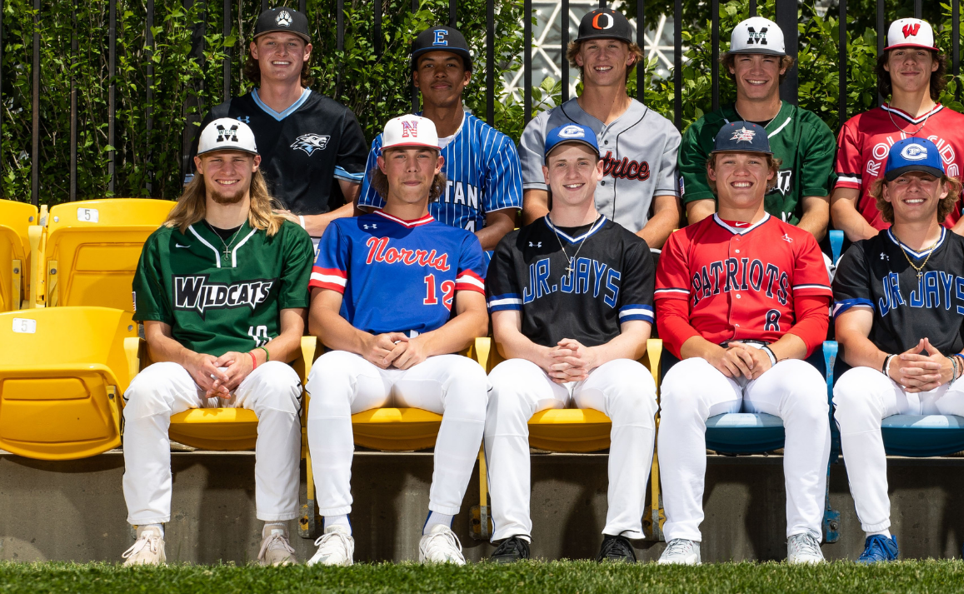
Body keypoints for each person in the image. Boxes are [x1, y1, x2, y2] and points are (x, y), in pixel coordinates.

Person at [122, 118, 314, 566]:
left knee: (282, 385)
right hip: (188, 366)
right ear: (199, 167)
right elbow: (155, 337)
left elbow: (293, 333)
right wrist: (192, 360)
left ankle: (275, 534)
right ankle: (149, 534)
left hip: (254, 364)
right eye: (216, 160)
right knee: (145, 391)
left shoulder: (285, 238)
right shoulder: (165, 242)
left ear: (254, 165)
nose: (227, 169)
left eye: (237, 160)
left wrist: (252, 360)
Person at [304, 115, 490, 566]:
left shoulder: (460, 240)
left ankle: (439, 529)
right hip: (361, 359)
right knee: (325, 374)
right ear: (381, 164)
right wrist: (364, 344)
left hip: (424, 361)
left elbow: (475, 319)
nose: (411, 166)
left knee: (469, 378)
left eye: (422, 155)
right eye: (399, 155)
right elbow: (320, 317)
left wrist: (424, 347)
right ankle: (335, 531)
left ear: (437, 164)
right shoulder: (345, 231)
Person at [654, 121, 833, 565]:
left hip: (775, 360)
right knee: (678, 389)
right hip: (709, 360)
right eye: (728, 161)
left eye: (753, 161)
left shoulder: (800, 241)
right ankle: (681, 538)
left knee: (810, 391)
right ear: (711, 172)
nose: (741, 171)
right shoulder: (682, 241)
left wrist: (772, 353)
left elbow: (815, 320)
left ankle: (804, 536)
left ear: (771, 173)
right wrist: (712, 354)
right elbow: (671, 320)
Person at [830, 137, 964, 563]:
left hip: (952, 379)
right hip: (888, 378)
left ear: (945, 188)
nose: (914, 187)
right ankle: (879, 536)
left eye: (926, 178)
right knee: (851, 390)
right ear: (885, 191)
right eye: (902, 179)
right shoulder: (861, 256)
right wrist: (890, 363)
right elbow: (850, 335)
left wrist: (955, 365)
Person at [483, 123, 658, 563]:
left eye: (583, 162)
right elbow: (505, 335)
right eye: (561, 163)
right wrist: (545, 356)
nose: (572, 172)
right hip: (536, 364)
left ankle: (620, 535)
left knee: (638, 387)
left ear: (601, 170)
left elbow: (636, 336)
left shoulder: (628, 246)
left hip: (603, 364)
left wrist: (591, 356)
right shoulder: (514, 246)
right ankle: (512, 536)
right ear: (545, 171)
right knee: (501, 387)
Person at [198, 7, 370, 238]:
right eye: (270, 43)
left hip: (314, 247)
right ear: (254, 50)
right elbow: (195, 196)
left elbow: (363, 206)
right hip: (234, 244)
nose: (281, 52)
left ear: (307, 52)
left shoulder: (337, 119)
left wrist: (299, 223)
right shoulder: (223, 118)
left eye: (292, 44)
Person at [519, 8, 680, 250]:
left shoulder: (662, 132)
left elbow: (668, 212)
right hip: (561, 260)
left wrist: (628, 254)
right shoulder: (542, 128)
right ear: (580, 57)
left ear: (630, 57)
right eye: (592, 47)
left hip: (634, 267)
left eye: (613, 46)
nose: (602, 56)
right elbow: (534, 204)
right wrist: (566, 247)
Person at [357, 26, 521, 251]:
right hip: (401, 259)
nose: (440, 73)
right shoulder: (388, 142)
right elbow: (373, 214)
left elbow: (503, 224)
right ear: (416, 78)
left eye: (451, 65)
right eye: (429, 65)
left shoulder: (496, 146)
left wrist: (452, 251)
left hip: (469, 266)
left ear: (466, 77)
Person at [832, 18, 964, 243]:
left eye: (920, 53)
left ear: (935, 63)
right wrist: (881, 249)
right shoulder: (857, 128)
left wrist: (944, 250)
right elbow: (842, 207)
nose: (909, 61)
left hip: (946, 264)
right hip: (876, 260)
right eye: (899, 54)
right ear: (886, 64)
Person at [678, 16, 835, 239]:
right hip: (722, 255)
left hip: (790, 255)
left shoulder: (810, 131)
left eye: (768, 60)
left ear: (782, 67)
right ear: (731, 66)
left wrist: (777, 253)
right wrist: (741, 253)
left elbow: (817, 214)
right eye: (746, 59)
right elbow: (701, 212)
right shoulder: (701, 133)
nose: (757, 70)